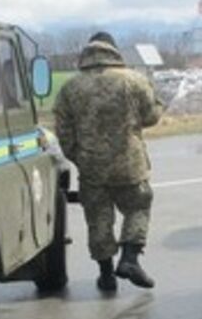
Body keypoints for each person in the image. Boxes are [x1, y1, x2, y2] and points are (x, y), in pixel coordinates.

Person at [52, 32, 162, 292]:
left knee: (98, 220)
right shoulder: (134, 81)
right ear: (113, 51)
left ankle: (106, 275)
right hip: (130, 162)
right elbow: (151, 116)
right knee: (138, 207)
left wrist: (78, 156)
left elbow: (63, 132)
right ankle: (130, 259)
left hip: (91, 167)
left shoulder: (71, 88)